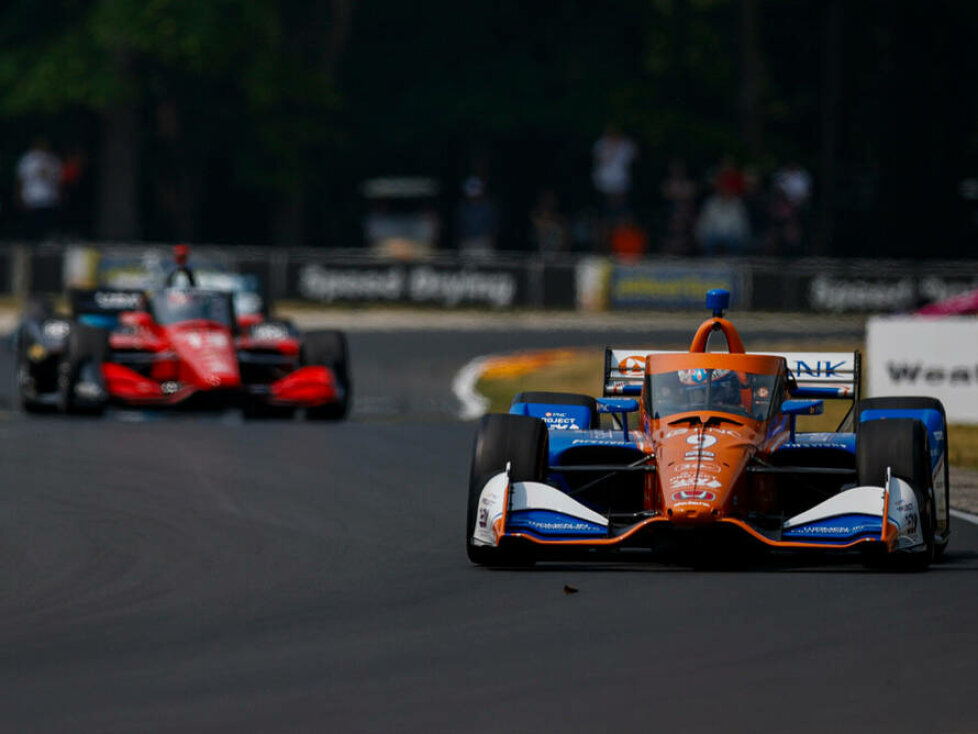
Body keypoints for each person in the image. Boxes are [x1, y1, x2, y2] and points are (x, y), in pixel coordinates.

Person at [15, 139, 62, 240]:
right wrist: (19, 195)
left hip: (48, 197)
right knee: (31, 224)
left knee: (46, 223)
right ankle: (30, 241)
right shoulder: (27, 160)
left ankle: (45, 242)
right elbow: (21, 179)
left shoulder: (52, 160)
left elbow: (58, 180)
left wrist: (58, 194)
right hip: (31, 196)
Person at [592, 124, 637, 218]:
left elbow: (634, 157)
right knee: (606, 206)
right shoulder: (601, 144)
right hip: (604, 180)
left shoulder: (625, 144)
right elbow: (598, 159)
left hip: (621, 180)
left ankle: (621, 223)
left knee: (621, 205)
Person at [456, 177, 499, 258]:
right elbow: (460, 225)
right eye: (471, 188)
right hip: (467, 241)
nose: (473, 191)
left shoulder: (488, 207)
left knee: (484, 266)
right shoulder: (463, 207)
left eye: (476, 188)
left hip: (483, 241)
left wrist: (490, 240)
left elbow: (493, 225)